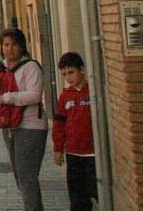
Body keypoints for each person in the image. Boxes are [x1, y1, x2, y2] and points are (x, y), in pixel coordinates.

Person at [0, 28, 47, 211]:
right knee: (20, 176)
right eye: (6, 44)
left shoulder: (31, 67)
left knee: (27, 176)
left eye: (14, 44)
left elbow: (35, 95)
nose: (10, 48)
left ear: (22, 46)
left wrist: (6, 98)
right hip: (9, 125)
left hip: (31, 125)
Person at [53, 51, 96, 211]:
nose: (68, 78)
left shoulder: (92, 90)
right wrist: (58, 149)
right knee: (78, 197)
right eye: (64, 75)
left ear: (82, 70)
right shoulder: (65, 96)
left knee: (96, 190)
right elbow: (59, 124)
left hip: (93, 152)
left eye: (71, 72)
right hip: (73, 153)